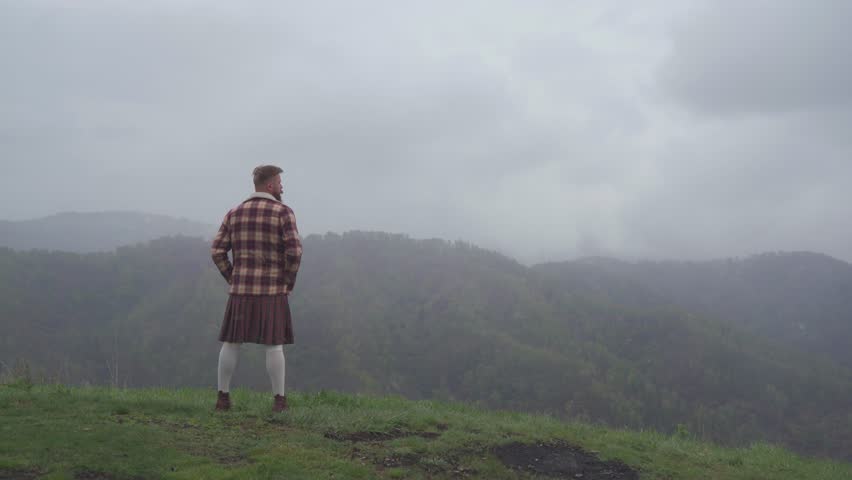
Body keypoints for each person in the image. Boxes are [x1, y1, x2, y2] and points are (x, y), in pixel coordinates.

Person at [210, 165, 303, 412]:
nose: (282, 187)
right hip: (272, 290)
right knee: (274, 345)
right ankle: (279, 402)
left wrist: (233, 277)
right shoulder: (283, 212)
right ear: (270, 185)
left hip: (241, 290)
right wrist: (287, 282)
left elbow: (217, 250)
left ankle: (223, 398)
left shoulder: (234, 213)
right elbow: (294, 252)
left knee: (231, 342)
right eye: (280, 182)